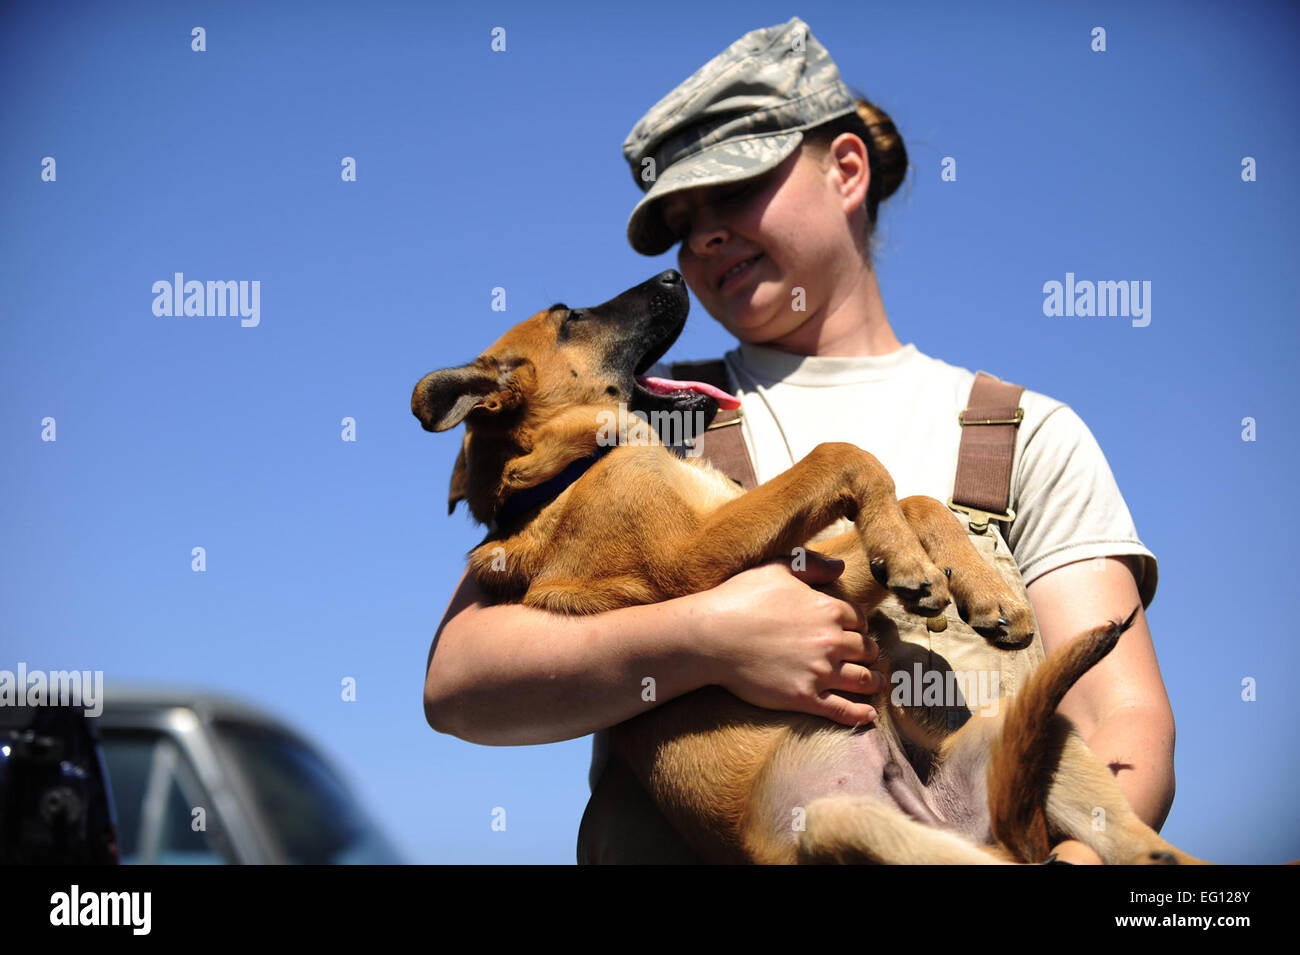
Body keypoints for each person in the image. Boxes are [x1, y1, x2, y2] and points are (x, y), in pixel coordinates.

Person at [424, 17, 1174, 865]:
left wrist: (1083, 862)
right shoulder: (632, 422)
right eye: (681, 219)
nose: (703, 234)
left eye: (736, 189)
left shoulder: (1021, 433)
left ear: (846, 170)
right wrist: (706, 637)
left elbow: (1125, 715)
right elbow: (459, 682)